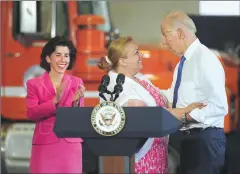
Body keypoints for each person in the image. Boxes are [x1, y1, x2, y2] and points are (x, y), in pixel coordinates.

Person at [98, 36, 204, 174]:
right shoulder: (117, 84)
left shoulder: (139, 78)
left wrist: (189, 98)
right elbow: (147, 114)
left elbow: (163, 99)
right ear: (123, 61)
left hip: (158, 153)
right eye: (136, 53)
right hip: (140, 158)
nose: (141, 55)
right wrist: (185, 111)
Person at [160, 11, 228, 174]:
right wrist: (143, 87)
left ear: (181, 33)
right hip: (189, 138)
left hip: (204, 139)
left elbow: (219, 106)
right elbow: (177, 97)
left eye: (166, 35)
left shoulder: (205, 59)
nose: (164, 42)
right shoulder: (183, 63)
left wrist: (184, 116)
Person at [26, 36, 85, 173]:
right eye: (58, 55)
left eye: (66, 56)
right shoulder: (34, 84)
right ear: (48, 58)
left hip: (70, 145)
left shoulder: (77, 82)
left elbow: (79, 118)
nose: (63, 60)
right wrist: (54, 100)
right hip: (45, 144)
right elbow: (31, 113)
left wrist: (75, 103)